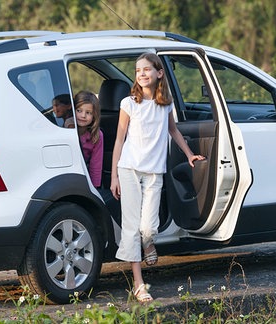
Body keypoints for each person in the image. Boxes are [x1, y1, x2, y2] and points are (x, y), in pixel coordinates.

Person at [110, 53, 205, 303]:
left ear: (159, 73)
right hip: (128, 169)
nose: (141, 74)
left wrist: (189, 155)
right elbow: (119, 140)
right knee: (131, 227)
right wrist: (114, 178)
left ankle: (149, 243)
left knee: (149, 228)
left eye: (146, 70)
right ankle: (139, 284)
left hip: (154, 171)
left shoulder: (166, 104)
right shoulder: (129, 103)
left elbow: (173, 130)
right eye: (137, 70)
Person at [74, 90, 103, 188]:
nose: (83, 115)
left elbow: (96, 164)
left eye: (88, 113)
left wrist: (95, 187)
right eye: (79, 110)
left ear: (94, 115)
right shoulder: (65, 128)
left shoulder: (97, 135)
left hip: (83, 175)